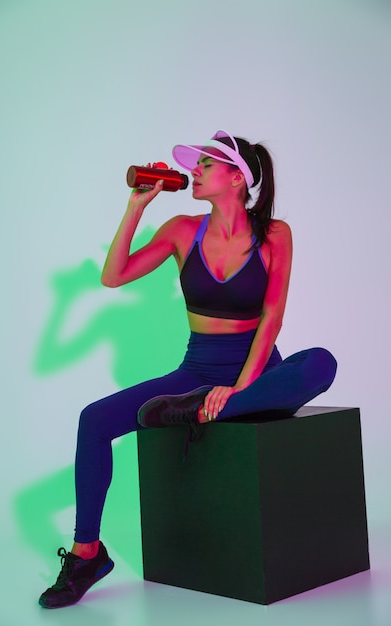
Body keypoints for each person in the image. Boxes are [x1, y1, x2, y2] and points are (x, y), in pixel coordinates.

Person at [38, 130, 337, 609]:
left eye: (206, 165)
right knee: (93, 420)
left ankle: (215, 408)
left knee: (322, 362)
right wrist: (137, 206)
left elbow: (273, 317)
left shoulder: (276, 235)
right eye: (195, 164)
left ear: (237, 179)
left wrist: (237, 389)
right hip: (194, 375)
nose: (194, 170)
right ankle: (86, 554)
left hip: (257, 372)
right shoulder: (181, 229)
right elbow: (113, 276)